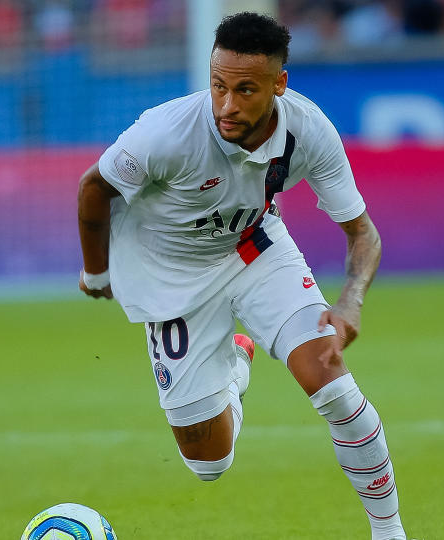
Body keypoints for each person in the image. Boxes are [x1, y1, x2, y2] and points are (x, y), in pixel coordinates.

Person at [76, 12, 406, 540]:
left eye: (245, 89)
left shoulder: (309, 131)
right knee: (208, 464)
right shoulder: (165, 134)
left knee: (330, 381)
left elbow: (364, 234)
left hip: (254, 250)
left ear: (279, 84)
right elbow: (94, 186)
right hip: (171, 281)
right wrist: (96, 273)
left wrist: (350, 305)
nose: (227, 104)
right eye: (218, 85)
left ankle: (389, 531)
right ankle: (237, 368)